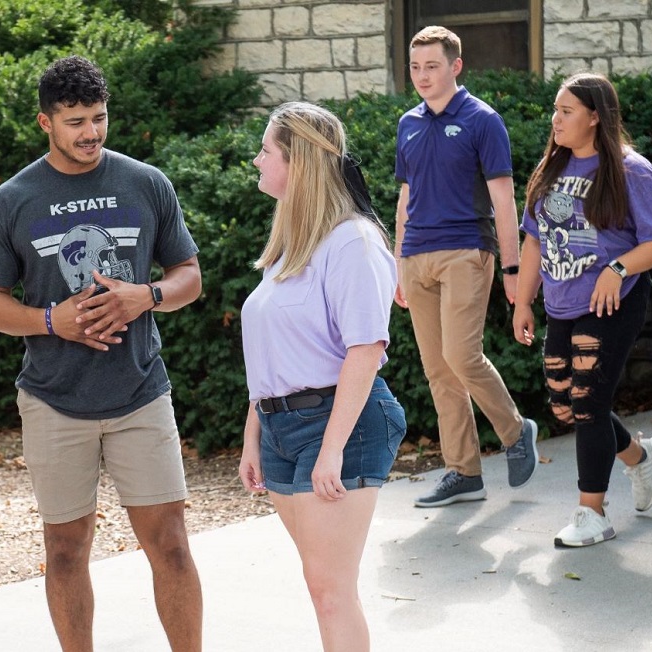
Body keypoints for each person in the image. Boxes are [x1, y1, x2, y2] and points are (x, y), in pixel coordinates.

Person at [0, 55, 204, 651]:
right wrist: (53, 321)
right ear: (45, 122)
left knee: (172, 545)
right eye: (74, 121)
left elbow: (189, 276)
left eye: (98, 118)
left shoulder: (145, 182)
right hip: (54, 401)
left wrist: (143, 296)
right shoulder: (13, 199)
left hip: (140, 394)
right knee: (66, 551)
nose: (90, 133)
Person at [237, 102, 407, 651]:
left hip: (341, 426)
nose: (256, 159)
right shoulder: (294, 243)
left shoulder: (353, 242)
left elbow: (366, 348)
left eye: (267, 150)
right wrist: (254, 433)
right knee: (322, 587)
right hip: (284, 429)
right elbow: (273, 350)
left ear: (299, 161)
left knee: (331, 589)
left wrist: (331, 448)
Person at [511, 72, 652, 547]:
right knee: (566, 403)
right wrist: (523, 300)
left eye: (566, 111)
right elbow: (534, 239)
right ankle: (640, 457)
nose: (555, 119)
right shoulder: (552, 168)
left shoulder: (632, 171)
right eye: (556, 109)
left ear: (594, 117)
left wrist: (619, 269)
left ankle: (592, 512)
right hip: (562, 301)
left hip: (612, 303)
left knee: (589, 403)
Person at [394, 26, 539, 507]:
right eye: (415, 67)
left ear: (456, 66)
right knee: (438, 370)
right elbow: (405, 198)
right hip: (417, 256)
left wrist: (513, 270)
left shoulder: (482, 120)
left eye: (431, 66)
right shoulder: (408, 123)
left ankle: (516, 432)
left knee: (462, 356)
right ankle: (464, 471)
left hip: (465, 252)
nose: (422, 76)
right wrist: (398, 263)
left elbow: (503, 198)